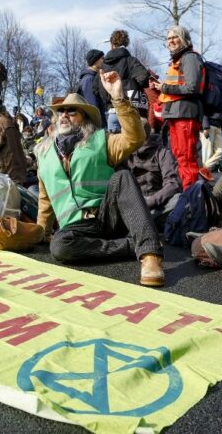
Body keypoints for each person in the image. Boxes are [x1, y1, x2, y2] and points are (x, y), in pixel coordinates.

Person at [36, 71, 164, 287]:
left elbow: (135, 137)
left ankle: (150, 254)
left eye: (72, 111)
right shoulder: (43, 153)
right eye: (61, 112)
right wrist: (41, 233)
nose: (64, 115)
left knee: (122, 177)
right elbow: (45, 200)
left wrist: (118, 98)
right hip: (76, 228)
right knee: (59, 246)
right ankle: (130, 246)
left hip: (109, 217)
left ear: (84, 117)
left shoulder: (102, 140)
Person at [151, 25, 204, 189]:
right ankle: (188, 195)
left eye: (175, 37)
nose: (171, 41)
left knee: (186, 157)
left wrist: (164, 88)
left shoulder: (189, 58)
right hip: (176, 115)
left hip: (185, 115)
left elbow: (191, 87)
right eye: (169, 38)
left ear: (184, 39)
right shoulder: (178, 59)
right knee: (180, 156)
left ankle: (193, 199)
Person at [119, 118, 181, 230]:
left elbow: (172, 184)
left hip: (157, 203)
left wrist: (150, 202)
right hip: (134, 203)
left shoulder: (162, 153)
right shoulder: (124, 153)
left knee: (179, 199)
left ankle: (143, 223)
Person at [102, 30, 150, 132]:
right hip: (131, 110)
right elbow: (144, 77)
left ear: (111, 44)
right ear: (126, 43)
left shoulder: (104, 66)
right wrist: (133, 85)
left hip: (113, 111)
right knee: (135, 145)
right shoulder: (131, 60)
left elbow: (98, 89)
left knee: (116, 146)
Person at [79, 49, 108, 125]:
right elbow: (92, 107)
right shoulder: (89, 79)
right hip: (96, 125)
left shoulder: (94, 77)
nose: (104, 60)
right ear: (95, 61)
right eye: (102, 58)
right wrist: (99, 125)